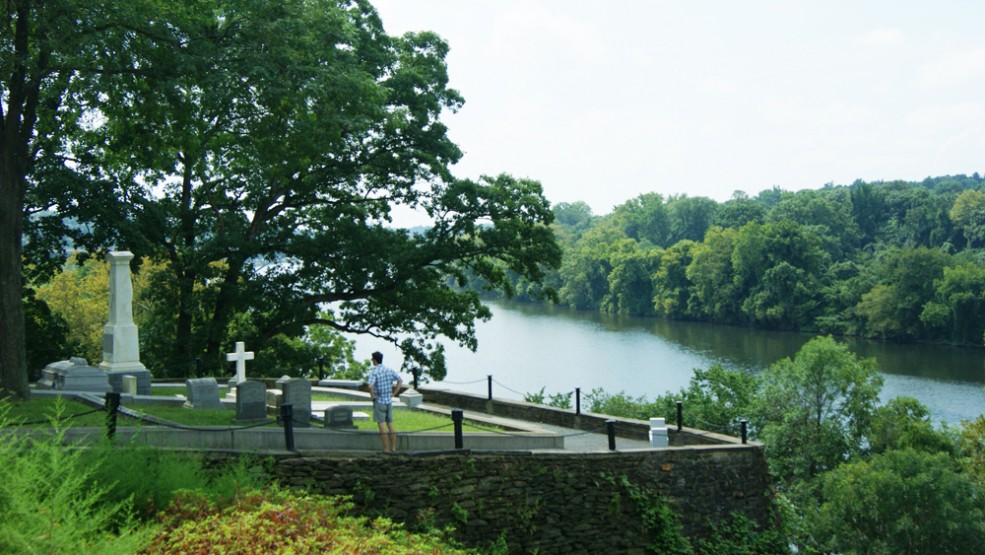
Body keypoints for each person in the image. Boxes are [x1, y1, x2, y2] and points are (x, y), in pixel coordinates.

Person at [366, 351, 402, 452]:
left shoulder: (374, 371)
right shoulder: (389, 369)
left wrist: (372, 396)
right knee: (390, 424)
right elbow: (400, 380)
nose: (372, 361)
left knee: (381, 424)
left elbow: (369, 386)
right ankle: (393, 448)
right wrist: (394, 393)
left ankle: (386, 449)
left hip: (379, 401)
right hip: (388, 400)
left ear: (375, 360)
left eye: (372, 359)